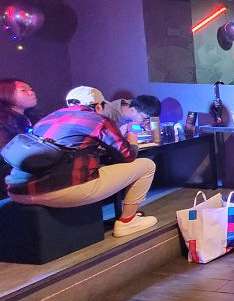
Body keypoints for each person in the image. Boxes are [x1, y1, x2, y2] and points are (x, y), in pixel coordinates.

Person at [6, 86, 157, 238]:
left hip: (17, 191)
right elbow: (128, 156)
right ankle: (127, 221)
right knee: (146, 165)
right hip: (57, 190)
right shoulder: (97, 119)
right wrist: (132, 136)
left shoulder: (47, 119)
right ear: (99, 106)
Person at [0, 79, 38, 148]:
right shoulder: (3, 125)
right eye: (23, 90)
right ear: (5, 94)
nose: (31, 93)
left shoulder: (34, 118)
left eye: (31, 89)